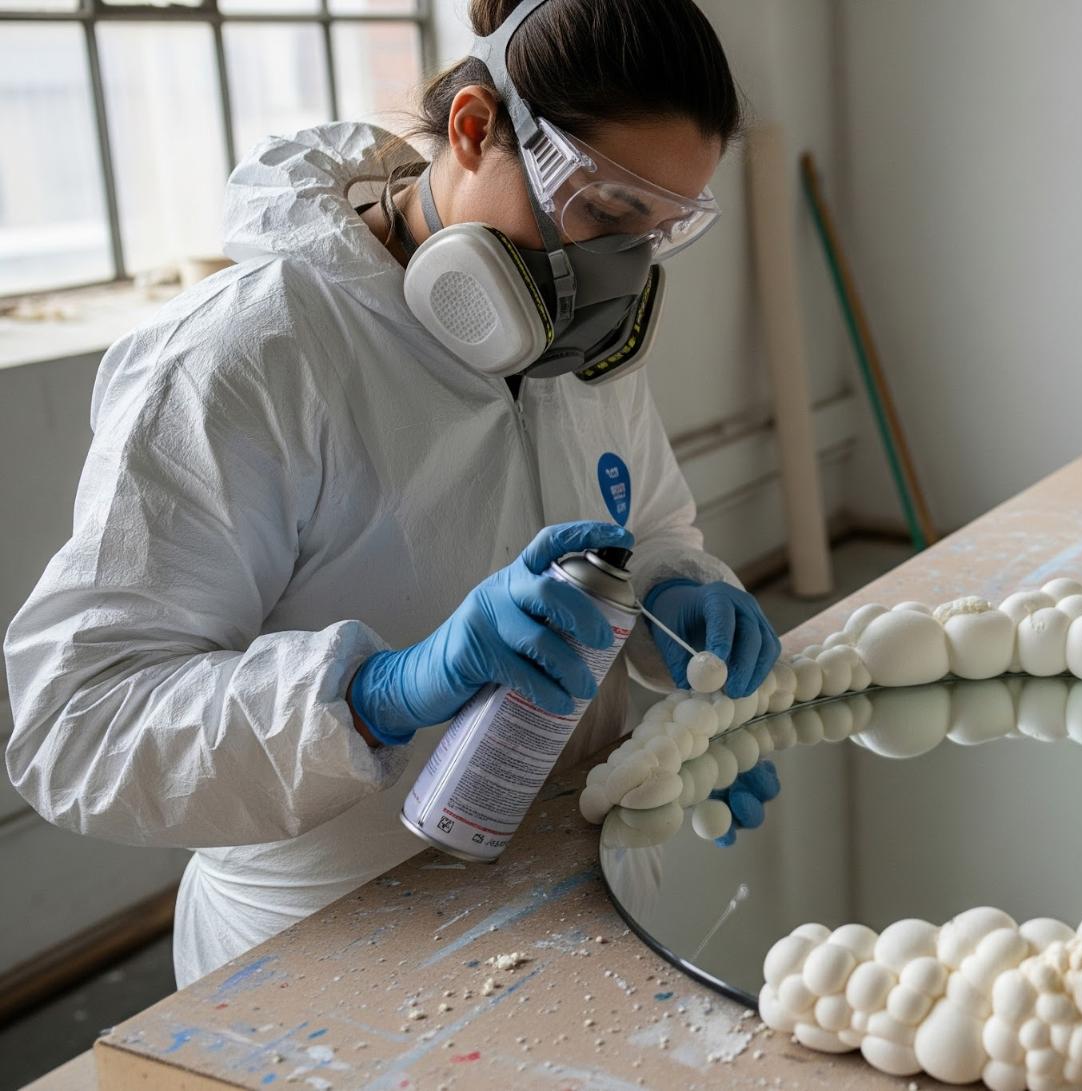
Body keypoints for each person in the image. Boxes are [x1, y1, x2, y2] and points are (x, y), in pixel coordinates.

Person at [3, 0, 779, 988]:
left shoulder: (578, 347)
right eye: (605, 211)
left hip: (580, 896)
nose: (619, 273)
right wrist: (376, 694)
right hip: (325, 956)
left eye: (659, 232)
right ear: (474, 127)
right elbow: (79, 722)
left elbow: (650, 523)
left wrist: (675, 596)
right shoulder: (252, 356)